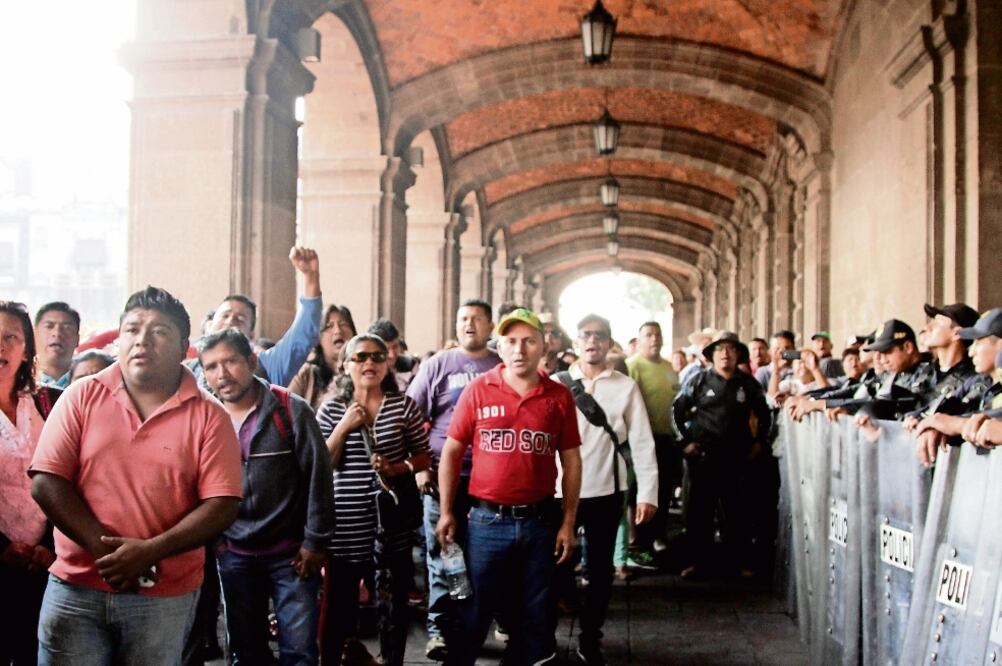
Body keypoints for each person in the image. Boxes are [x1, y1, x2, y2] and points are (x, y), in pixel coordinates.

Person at [28, 287, 243, 665]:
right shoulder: (81, 396)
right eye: (132, 330)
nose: (142, 340)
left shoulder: (210, 416)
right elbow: (46, 481)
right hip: (75, 588)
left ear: (182, 347)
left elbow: (222, 503)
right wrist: (105, 552)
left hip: (164, 597)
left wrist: (149, 552)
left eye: (159, 331)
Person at [436, 308, 582, 666]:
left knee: (535, 611)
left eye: (529, 341)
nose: (520, 350)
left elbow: (572, 461)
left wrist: (567, 522)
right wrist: (446, 511)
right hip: (487, 522)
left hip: (540, 521)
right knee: (473, 609)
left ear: (543, 347)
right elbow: (452, 452)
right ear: (500, 348)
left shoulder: (557, 397)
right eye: (512, 342)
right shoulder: (479, 389)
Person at [199, 328, 334, 664]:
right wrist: (216, 541)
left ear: (251, 361)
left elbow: (319, 477)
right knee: (245, 653)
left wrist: (315, 542)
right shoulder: (204, 418)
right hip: (234, 555)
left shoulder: (289, 410)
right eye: (212, 366)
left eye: (230, 361)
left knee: (299, 651)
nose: (222, 374)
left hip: (291, 556)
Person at [316, 334, 431, 666]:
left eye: (378, 357)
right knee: (337, 606)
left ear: (387, 364)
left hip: (389, 527)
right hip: (344, 529)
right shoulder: (333, 407)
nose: (369, 363)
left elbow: (424, 457)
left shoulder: (403, 406)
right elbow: (322, 464)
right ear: (346, 365)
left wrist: (396, 468)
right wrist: (344, 426)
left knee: (393, 607)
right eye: (361, 357)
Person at [554, 313, 659, 666]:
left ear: (609, 342)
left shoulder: (624, 386)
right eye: (585, 335)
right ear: (576, 342)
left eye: (599, 335)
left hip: (607, 490)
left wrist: (648, 493)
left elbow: (642, 442)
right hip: (558, 492)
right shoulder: (557, 383)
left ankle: (590, 638)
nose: (592, 341)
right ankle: (546, 637)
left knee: (599, 572)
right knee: (553, 567)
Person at [404, 299, 500, 662]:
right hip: (445, 479)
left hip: (492, 483)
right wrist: (420, 467)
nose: (469, 324)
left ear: (491, 326)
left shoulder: (502, 367)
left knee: (487, 558)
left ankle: (482, 624)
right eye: (463, 318)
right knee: (442, 553)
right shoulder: (438, 366)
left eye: (477, 318)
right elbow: (411, 420)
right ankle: (439, 629)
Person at [672, 332, 772, 578]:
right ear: (712, 355)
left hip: (738, 457)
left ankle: (738, 562)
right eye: (719, 350)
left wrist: (760, 442)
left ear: (738, 354)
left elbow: (765, 415)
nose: (725, 354)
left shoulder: (748, 384)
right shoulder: (698, 380)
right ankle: (697, 562)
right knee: (699, 512)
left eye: (730, 349)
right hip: (704, 456)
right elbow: (676, 411)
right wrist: (684, 442)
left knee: (737, 511)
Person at [0, 301, 61, 665]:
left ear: (26, 350)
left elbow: (70, 478)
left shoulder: (49, 403)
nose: (1, 347)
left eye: (11, 337)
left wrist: (51, 544)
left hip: (45, 559)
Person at [191, 246, 323, 389]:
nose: (230, 321)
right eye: (225, 315)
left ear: (251, 336)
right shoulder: (186, 370)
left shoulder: (265, 367)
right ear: (209, 325)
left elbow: (302, 336)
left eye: (240, 319)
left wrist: (311, 277)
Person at [625, 321, 680, 567]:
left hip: (666, 438)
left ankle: (657, 537)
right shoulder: (632, 366)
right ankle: (637, 547)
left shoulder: (669, 367)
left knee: (663, 490)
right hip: (640, 440)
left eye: (657, 334)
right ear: (639, 339)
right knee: (639, 494)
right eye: (648, 334)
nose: (654, 339)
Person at [290, 304, 357, 409]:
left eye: (343, 324)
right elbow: (286, 412)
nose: (338, 331)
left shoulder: (362, 370)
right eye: (329, 326)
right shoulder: (306, 373)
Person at [34, 302, 81, 389]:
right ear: (33, 335)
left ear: (77, 339)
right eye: (49, 326)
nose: (57, 333)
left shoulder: (86, 380)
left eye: (67, 328)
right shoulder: (17, 379)